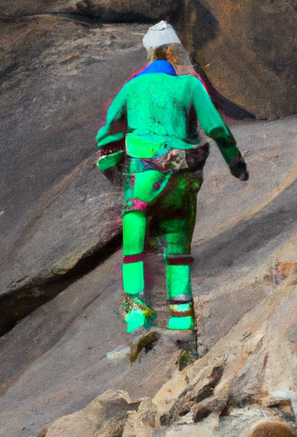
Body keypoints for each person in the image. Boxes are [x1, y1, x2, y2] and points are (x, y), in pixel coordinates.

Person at [96, 21, 248, 343]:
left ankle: (137, 319)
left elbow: (108, 129)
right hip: (182, 178)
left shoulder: (131, 88)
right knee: (178, 251)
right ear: (172, 52)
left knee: (134, 249)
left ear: (150, 52)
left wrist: (112, 153)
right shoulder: (190, 86)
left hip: (142, 177)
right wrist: (236, 162)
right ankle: (182, 327)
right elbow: (216, 128)